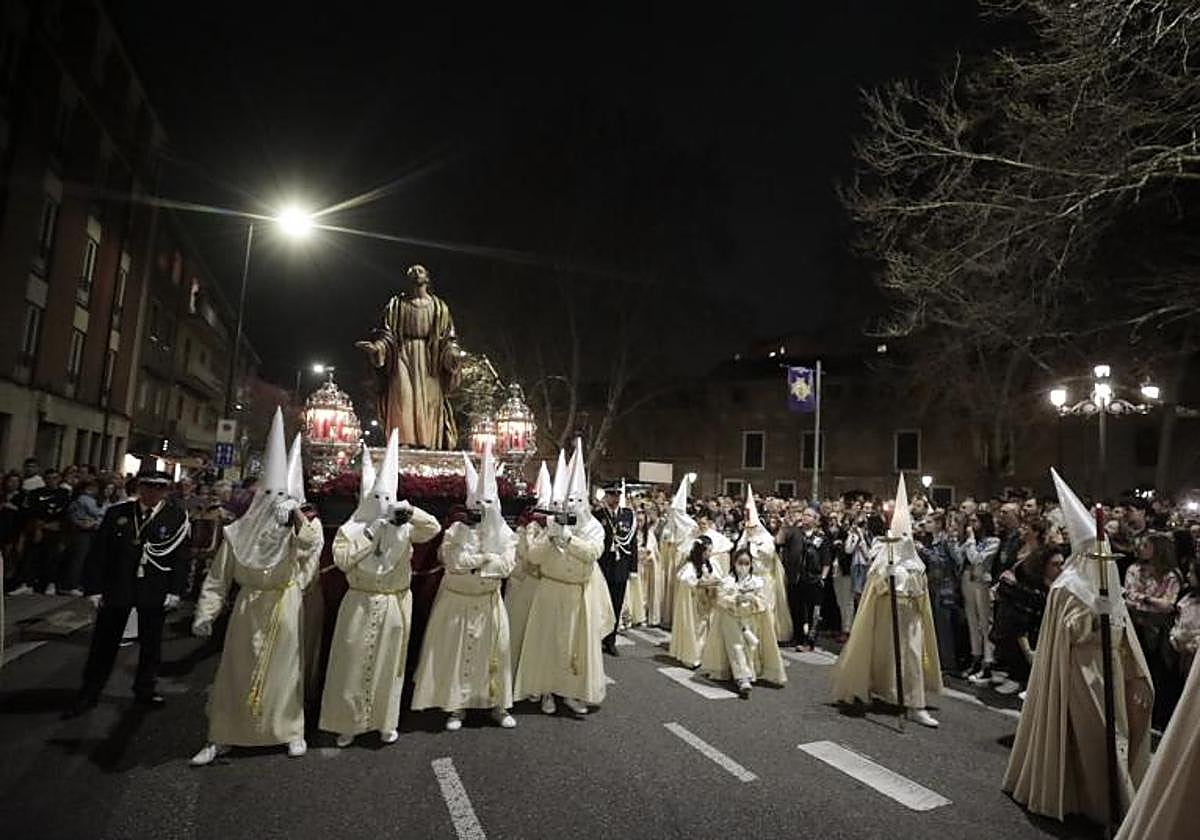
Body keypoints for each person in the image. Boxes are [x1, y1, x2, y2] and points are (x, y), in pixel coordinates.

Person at [1002, 469, 1154, 825]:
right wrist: (1092, 616)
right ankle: (1109, 805)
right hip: (1080, 670)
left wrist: (1135, 670)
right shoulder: (1067, 585)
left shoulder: (1107, 576)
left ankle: (1101, 800)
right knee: (1094, 735)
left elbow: (1123, 628)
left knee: (1113, 733)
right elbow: (1069, 631)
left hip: (1110, 667)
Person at [190, 408, 325, 765]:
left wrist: (295, 514)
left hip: (284, 602)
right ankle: (222, 735)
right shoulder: (237, 534)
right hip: (249, 607)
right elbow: (218, 578)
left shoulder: (298, 532)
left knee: (285, 671)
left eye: (281, 494)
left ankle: (288, 730)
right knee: (237, 669)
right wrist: (206, 613)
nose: (274, 501)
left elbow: (312, 545)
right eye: (270, 494)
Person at [321, 431, 441, 746]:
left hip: (393, 603)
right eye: (377, 500)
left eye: (387, 499)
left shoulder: (404, 530)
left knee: (390, 664)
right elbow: (343, 560)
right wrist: (372, 532)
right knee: (352, 662)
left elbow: (433, 529)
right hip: (359, 604)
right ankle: (348, 722)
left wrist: (411, 512)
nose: (383, 505)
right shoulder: (351, 530)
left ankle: (385, 720)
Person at [66, 468, 189, 716]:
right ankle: (89, 692)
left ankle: (145, 689)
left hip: (154, 588)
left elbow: (180, 557)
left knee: (151, 644)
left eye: (160, 488)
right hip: (118, 586)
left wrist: (176, 590)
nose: (153, 492)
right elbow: (100, 553)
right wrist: (94, 588)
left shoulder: (176, 517)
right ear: (140, 487)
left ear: (166, 491)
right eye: (148, 486)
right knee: (104, 644)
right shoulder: (118, 513)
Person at [412, 443, 518, 730]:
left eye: (487, 505)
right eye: (476, 505)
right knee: (454, 653)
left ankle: (497, 704)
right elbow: (452, 560)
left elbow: (506, 566)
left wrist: (475, 563)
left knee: (494, 653)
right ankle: (456, 705)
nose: (481, 511)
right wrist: (484, 558)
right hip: (456, 602)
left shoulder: (506, 534)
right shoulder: (455, 531)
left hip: (488, 602)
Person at [830, 475, 942, 728]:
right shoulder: (883, 548)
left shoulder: (915, 554)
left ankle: (915, 704)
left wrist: (911, 581)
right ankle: (879, 691)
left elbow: (922, 585)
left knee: (911, 656)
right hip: (884, 615)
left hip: (909, 616)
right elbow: (874, 582)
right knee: (882, 656)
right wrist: (885, 575)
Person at [514, 439, 612, 716]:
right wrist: (552, 535)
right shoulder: (551, 523)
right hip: (550, 589)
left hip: (578, 592)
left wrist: (568, 539)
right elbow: (534, 556)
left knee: (575, 644)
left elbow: (593, 553)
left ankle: (570, 691)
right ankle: (546, 689)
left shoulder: (593, 527)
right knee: (548, 640)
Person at [356, 264, 464, 449]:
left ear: (427, 278)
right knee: (402, 397)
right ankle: (403, 442)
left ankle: (428, 442)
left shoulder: (439, 307)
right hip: (401, 355)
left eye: (420, 270)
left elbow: (448, 338)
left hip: (431, 359)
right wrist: (377, 349)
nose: (415, 273)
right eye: (412, 271)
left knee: (430, 402)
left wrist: (453, 354)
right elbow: (386, 334)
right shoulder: (396, 305)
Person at [700, 547, 787, 696]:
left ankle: (750, 672)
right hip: (731, 617)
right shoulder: (726, 581)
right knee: (737, 646)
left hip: (751, 618)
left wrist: (751, 598)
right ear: (734, 563)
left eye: (747, 563)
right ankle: (742, 678)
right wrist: (735, 599)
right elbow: (721, 599)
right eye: (740, 562)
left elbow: (763, 601)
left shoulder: (757, 582)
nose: (743, 566)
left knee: (749, 647)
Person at [1123, 532, 1183, 728]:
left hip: (1160, 630)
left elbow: (1169, 604)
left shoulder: (1171, 575)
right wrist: (1150, 601)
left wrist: (1143, 599)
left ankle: (1156, 718)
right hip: (1137, 625)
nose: (1141, 549)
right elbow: (1128, 596)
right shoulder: (1134, 569)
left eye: (1146, 545)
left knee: (1158, 673)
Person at [506, 460, 552, 675]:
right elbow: (523, 557)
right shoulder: (524, 529)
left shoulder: (554, 531)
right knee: (520, 630)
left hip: (546, 588)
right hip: (524, 585)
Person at [779, 507, 831, 650]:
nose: (804, 517)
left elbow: (826, 560)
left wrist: (823, 578)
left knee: (813, 612)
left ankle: (810, 642)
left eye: (809, 515)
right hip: (796, 578)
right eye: (804, 514)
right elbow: (778, 542)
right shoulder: (794, 532)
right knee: (796, 610)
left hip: (813, 579)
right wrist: (785, 525)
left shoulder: (820, 536)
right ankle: (798, 638)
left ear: (815, 519)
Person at [669, 536, 721, 668]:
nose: (710, 553)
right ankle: (692, 656)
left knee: (704, 628)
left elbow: (716, 576)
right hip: (694, 601)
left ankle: (704, 655)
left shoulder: (710, 564)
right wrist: (701, 583)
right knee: (695, 628)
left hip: (706, 601)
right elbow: (686, 580)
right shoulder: (690, 566)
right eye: (708, 551)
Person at [597, 482, 637, 653]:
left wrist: (633, 568)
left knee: (616, 604)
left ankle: (610, 640)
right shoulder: (598, 515)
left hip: (620, 567)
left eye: (617, 495)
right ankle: (598, 636)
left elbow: (632, 543)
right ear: (606, 496)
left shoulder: (628, 516)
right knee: (600, 604)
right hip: (603, 567)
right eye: (612, 495)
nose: (615, 498)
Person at [962, 511, 1000, 683]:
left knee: (985, 623)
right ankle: (975, 657)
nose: (972, 525)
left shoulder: (993, 541)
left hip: (982, 582)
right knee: (972, 622)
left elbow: (976, 558)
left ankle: (988, 662)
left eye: (975, 521)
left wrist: (970, 540)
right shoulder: (970, 540)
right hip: (968, 580)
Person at [657, 473, 698, 628]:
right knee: (669, 588)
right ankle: (667, 616)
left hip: (682, 559)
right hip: (670, 560)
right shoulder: (669, 524)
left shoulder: (690, 525)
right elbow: (665, 539)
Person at [63, 478, 105, 596]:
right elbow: (97, 512)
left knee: (82, 558)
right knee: (79, 558)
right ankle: (71, 584)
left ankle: (77, 583)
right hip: (83, 531)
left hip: (86, 530)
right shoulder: (84, 499)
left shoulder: (79, 500)